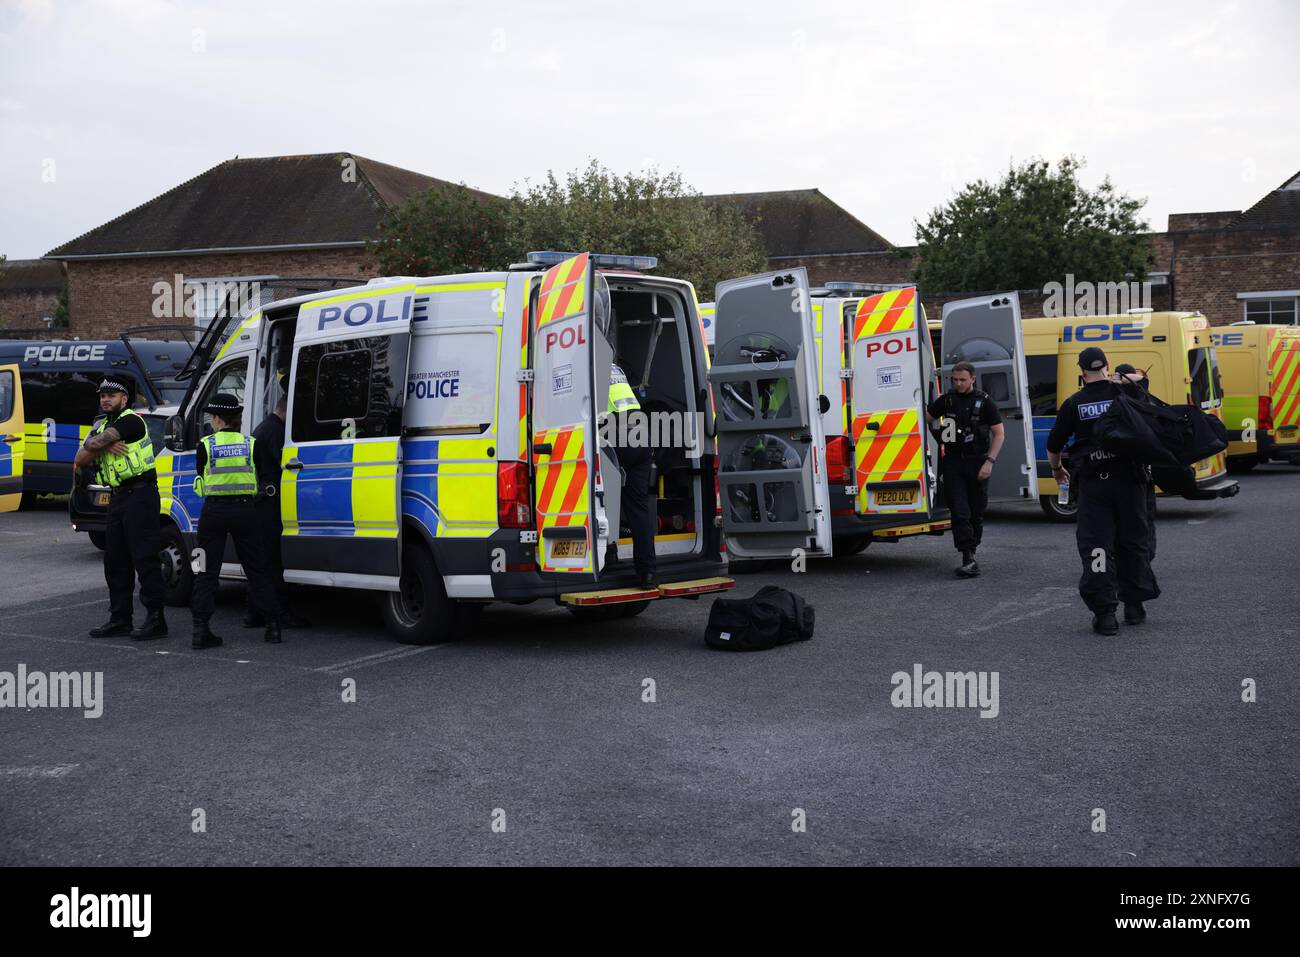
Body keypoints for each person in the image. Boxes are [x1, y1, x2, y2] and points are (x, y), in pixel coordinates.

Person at [1046, 347, 1160, 635]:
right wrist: (1120, 378)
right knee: (1133, 542)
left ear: (1081, 372)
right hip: (1130, 482)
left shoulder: (1074, 403)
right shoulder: (1125, 392)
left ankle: (1106, 614)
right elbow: (1142, 379)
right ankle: (1134, 606)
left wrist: (1057, 469)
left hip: (1095, 484)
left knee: (1096, 546)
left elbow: (1054, 445)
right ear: (1107, 366)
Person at [75, 379, 168, 640]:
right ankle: (120, 619)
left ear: (124, 399)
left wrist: (99, 442)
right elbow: (79, 459)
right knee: (115, 561)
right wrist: (102, 442)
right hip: (117, 498)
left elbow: (93, 446)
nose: (105, 400)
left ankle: (156, 620)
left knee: (145, 558)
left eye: (111, 395)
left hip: (141, 495)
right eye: (103, 396)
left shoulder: (132, 420)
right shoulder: (103, 426)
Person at [189, 394, 284, 649]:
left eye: (212, 418)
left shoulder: (205, 445)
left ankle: (200, 629)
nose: (211, 422)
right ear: (237, 420)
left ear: (219, 419)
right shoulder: (251, 444)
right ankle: (273, 626)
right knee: (258, 568)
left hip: (212, 513)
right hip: (245, 511)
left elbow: (201, 475)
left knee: (203, 569)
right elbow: (263, 476)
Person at [926, 361, 1005, 578]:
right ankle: (968, 557)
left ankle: (972, 549)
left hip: (978, 461)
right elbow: (924, 418)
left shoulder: (984, 402)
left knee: (976, 512)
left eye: (962, 380)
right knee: (960, 512)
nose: (958, 384)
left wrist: (989, 462)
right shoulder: (947, 400)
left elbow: (999, 434)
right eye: (955, 379)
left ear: (972, 379)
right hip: (953, 462)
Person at [244, 392, 309, 629]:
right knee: (271, 561)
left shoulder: (264, 427)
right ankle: (280, 613)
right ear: (286, 411)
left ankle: (253, 612)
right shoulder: (275, 431)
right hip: (268, 502)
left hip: (258, 501)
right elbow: (285, 461)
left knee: (260, 559)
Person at [608, 361, 657, 590]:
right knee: (638, 509)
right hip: (639, 435)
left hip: (616, 435)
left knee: (599, 499)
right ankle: (647, 572)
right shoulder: (615, 367)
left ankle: (607, 555)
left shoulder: (588, 363)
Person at [1114, 362, 1158, 562]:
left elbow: (1142, 380)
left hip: (1133, 471)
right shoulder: (1141, 397)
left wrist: (1116, 378)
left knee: (1136, 518)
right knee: (1144, 517)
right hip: (1141, 470)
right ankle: (1144, 558)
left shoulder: (1129, 397)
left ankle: (1139, 558)